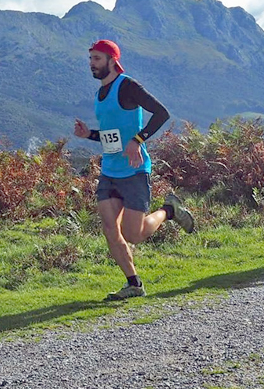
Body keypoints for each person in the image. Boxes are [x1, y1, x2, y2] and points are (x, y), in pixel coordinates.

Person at [74, 39, 195, 300]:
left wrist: (138, 140)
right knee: (109, 228)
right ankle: (134, 284)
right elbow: (113, 137)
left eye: (97, 59)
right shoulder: (100, 93)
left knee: (134, 234)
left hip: (134, 171)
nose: (92, 64)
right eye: (90, 59)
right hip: (109, 171)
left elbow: (162, 113)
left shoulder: (127, 86)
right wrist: (89, 135)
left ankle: (169, 211)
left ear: (111, 60)